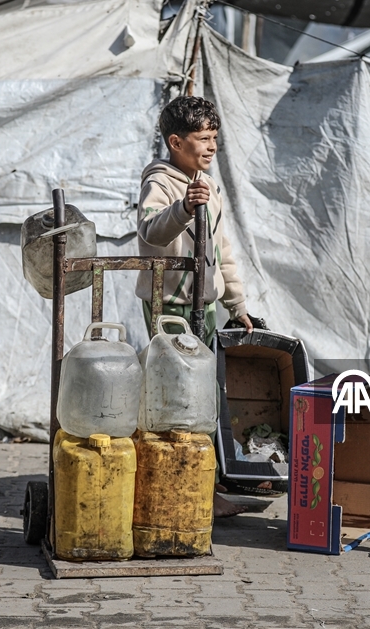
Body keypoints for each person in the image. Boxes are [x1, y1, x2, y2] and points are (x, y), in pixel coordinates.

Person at [135, 95, 262, 518]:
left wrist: (237, 303)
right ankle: (180, 489)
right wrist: (184, 207)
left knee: (203, 395)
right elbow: (151, 230)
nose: (211, 146)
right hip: (168, 305)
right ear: (175, 142)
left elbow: (221, 251)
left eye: (214, 138)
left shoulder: (210, 187)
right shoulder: (161, 182)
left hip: (202, 307)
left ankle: (202, 483)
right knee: (175, 395)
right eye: (203, 139)